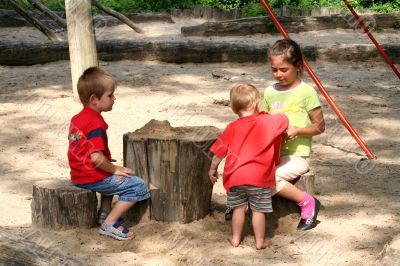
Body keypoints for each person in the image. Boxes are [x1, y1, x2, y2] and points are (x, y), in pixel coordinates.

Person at [68, 67, 150, 241]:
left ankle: (105, 212)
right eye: (110, 95)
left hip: (78, 173)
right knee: (138, 185)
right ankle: (110, 223)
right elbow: (96, 158)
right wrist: (114, 169)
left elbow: (82, 148)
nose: (114, 99)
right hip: (91, 176)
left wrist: (108, 165)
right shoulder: (95, 123)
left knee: (113, 171)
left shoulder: (78, 118)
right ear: (94, 99)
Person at [209, 83, 289, 250]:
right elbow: (284, 120)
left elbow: (219, 153)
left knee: (238, 209)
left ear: (234, 109)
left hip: (236, 177)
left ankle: (236, 239)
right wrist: (270, 111)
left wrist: (212, 169)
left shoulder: (232, 127)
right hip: (259, 178)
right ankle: (259, 241)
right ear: (257, 104)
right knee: (258, 211)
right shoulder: (267, 122)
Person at [263, 39, 325, 230]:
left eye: (283, 69)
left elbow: (319, 126)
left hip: (297, 156)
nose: (278, 74)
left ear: (298, 66)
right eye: (274, 70)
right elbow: (262, 121)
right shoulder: (269, 92)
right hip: (272, 154)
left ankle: (307, 202)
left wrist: (298, 130)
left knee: (270, 180)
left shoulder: (306, 92)